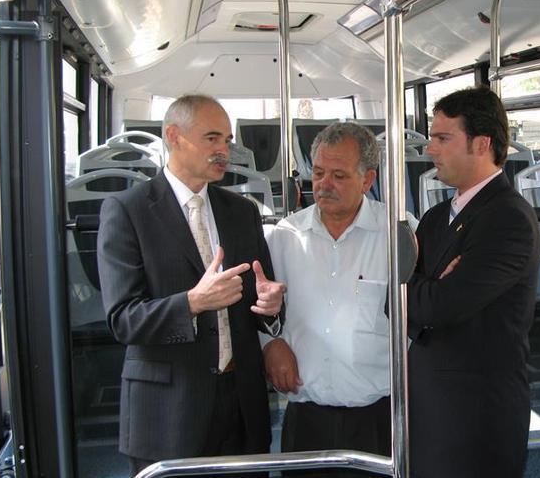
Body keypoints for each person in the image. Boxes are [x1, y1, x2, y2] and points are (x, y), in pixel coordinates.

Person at [97, 94, 286, 476]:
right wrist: (193, 303)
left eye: (228, 140)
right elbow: (123, 319)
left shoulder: (242, 211)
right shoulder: (127, 211)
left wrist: (271, 307)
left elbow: (262, 294)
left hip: (242, 406)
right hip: (168, 411)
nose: (224, 151)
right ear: (174, 136)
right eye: (212, 138)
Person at [263, 122, 415, 477]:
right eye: (317, 173)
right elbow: (263, 310)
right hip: (306, 419)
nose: (323, 185)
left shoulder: (400, 234)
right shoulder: (285, 237)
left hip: (378, 419)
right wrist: (270, 344)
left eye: (338, 175)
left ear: (368, 179)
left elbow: (421, 319)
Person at [406, 87, 540, 478]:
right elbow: (395, 300)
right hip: (431, 404)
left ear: (482, 144)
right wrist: (427, 292)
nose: (431, 149)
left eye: (443, 138)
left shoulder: (508, 219)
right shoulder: (434, 218)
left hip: (477, 417)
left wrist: (423, 293)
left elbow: (440, 307)